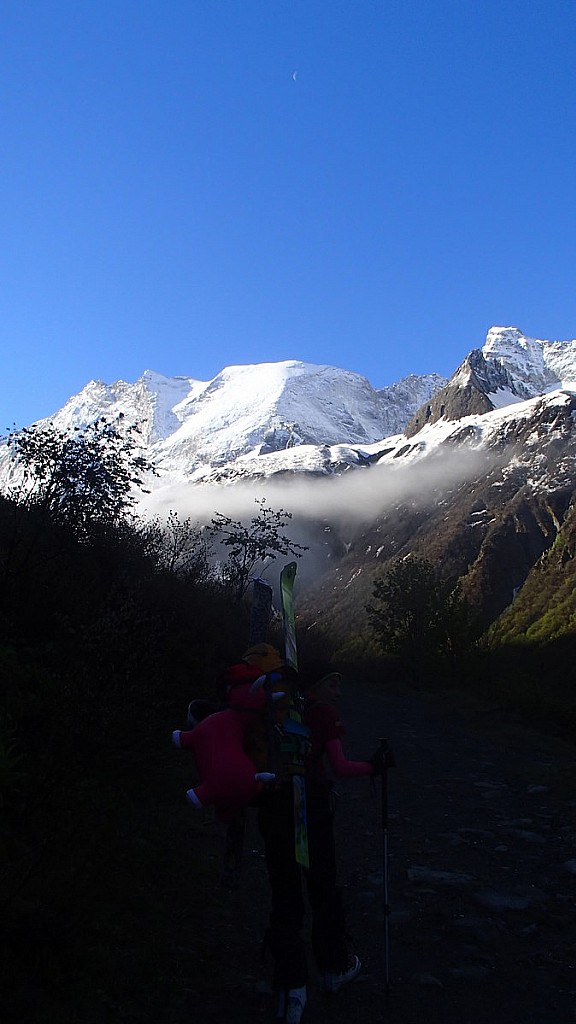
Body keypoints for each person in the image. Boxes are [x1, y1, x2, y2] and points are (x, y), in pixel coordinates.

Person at [257, 658, 381, 1024]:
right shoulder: (323, 714)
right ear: (314, 688)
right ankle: (332, 967)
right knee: (323, 886)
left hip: (276, 805)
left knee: (285, 893)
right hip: (311, 807)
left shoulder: (282, 710)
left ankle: (290, 984)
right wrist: (375, 767)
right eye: (332, 684)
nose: (338, 692)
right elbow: (340, 767)